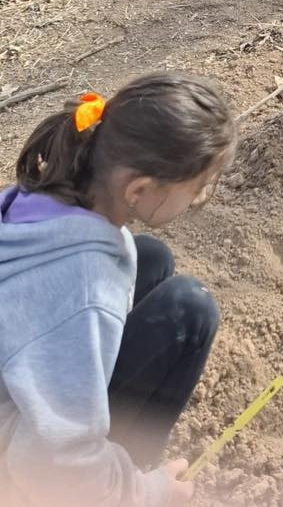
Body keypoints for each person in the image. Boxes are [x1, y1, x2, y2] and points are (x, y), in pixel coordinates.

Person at [0, 74, 236, 507]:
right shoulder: (85, 289)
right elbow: (52, 460)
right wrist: (147, 492)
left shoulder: (45, 194)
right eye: (196, 188)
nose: (200, 198)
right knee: (191, 310)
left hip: (15, 392)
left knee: (152, 258)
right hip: (23, 466)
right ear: (139, 189)